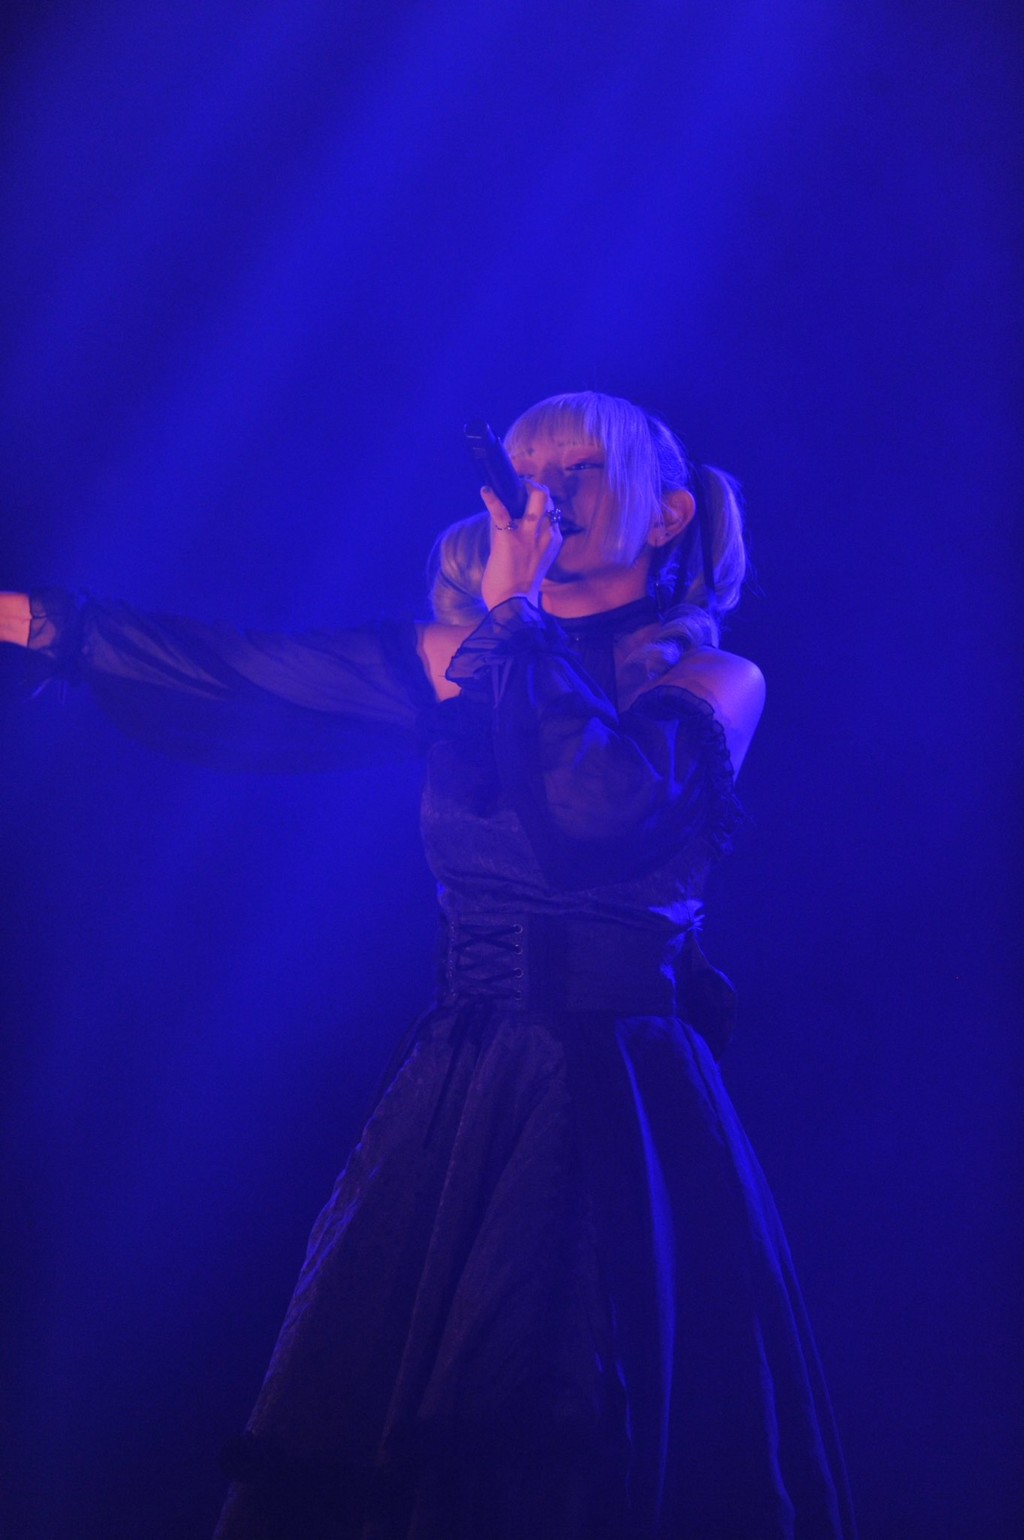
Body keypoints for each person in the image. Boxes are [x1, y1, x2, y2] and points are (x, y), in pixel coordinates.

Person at [0, 391, 856, 1539]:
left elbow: (594, 807)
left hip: (616, 1098)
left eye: (582, 468)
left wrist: (513, 615)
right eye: (528, 469)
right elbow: (239, 670)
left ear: (667, 516)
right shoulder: (459, 660)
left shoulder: (712, 682)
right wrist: (37, 622)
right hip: (460, 1092)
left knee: (562, 1414)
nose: (546, 491)